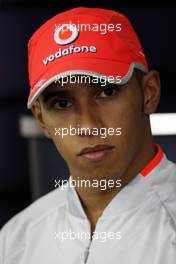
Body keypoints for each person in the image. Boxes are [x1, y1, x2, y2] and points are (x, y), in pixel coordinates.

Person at [0, 6, 176, 264]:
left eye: (106, 92)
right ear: (41, 119)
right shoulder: (15, 240)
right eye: (62, 103)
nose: (88, 125)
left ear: (148, 93)